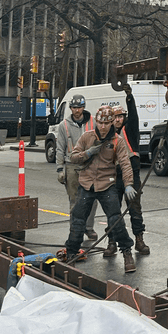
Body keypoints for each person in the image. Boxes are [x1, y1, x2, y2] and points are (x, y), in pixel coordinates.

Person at [64, 105, 137, 274]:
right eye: (100, 123)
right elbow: (74, 157)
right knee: (78, 221)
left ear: (112, 123)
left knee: (115, 220)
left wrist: (128, 185)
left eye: (107, 123)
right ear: (96, 121)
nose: (103, 127)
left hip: (107, 184)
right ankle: (71, 254)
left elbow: (125, 165)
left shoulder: (118, 141)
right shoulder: (86, 137)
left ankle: (127, 252)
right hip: (87, 183)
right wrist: (87, 153)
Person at [104, 88, 150, 258]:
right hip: (113, 177)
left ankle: (139, 239)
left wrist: (129, 97)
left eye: (121, 117)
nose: (118, 120)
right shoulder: (108, 135)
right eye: (116, 117)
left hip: (132, 176)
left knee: (135, 209)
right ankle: (111, 241)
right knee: (113, 210)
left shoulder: (129, 131)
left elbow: (134, 115)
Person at [55, 93, 98, 241]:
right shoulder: (64, 126)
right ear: (70, 108)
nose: (76, 110)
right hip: (72, 166)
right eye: (73, 107)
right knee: (74, 200)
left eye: (79, 107)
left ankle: (88, 228)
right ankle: (75, 230)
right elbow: (60, 148)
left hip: (90, 166)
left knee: (92, 199)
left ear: (83, 107)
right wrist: (60, 169)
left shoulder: (93, 122)